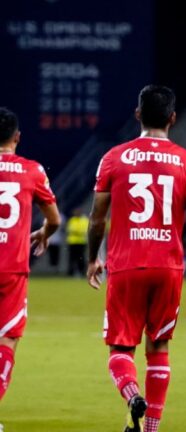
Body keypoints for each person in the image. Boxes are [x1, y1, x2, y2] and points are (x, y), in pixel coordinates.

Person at [86, 85, 186, 432]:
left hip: (126, 264)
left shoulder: (114, 157)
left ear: (137, 114)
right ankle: (150, 428)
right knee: (159, 349)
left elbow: (98, 216)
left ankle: (131, 395)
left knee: (120, 349)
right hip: (168, 266)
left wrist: (93, 257)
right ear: (173, 118)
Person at [0, 107, 60, 412]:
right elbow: (55, 219)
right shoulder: (31, 170)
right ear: (18, 137)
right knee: (8, 339)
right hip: (11, 268)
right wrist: (44, 232)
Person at [66, 207, 88, 276]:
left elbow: (85, 230)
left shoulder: (84, 220)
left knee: (81, 258)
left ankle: (81, 272)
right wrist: (78, 232)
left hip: (81, 242)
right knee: (72, 258)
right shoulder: (72, 220)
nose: (77, 213)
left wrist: (76, 232)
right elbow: (69, 230)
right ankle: (71, 272)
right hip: (72, 242)